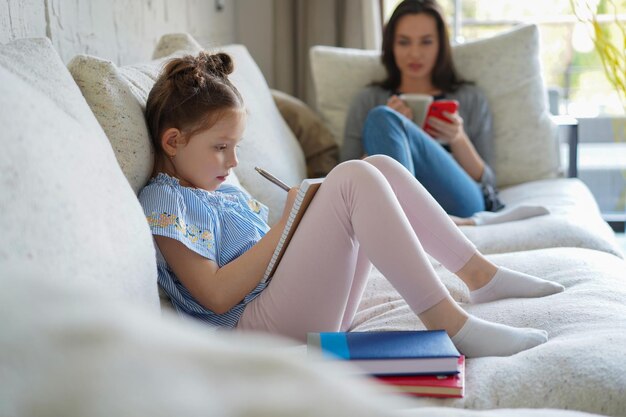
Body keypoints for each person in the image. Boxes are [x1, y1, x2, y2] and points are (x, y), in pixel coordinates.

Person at [138, 51, 564, 358]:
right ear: (173, 141)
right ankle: (451, 325)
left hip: (292, 312)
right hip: (253, 331)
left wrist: (300, 218)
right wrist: (287, 225)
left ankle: (480, 275)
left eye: (235, 147)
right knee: (353, 176)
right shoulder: (165, 199)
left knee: (375, 165)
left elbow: (269, 258)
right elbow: (214, 295)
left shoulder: (217, 189)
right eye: (220, 147)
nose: (233, 162)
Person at [343, 0, 503, 219]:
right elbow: (345, 178)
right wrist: (385, 135)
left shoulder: (471, 98)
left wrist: (458, 139)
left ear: (440, 45)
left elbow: (488, 181)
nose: (415, 53)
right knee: (382, 118)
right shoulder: (368, 99)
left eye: (426, 42)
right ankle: (407, 224)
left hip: (459, 200)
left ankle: (403, 226)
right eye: (404, 42)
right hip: (392, 201)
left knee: (384, 118)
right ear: (391, 46)